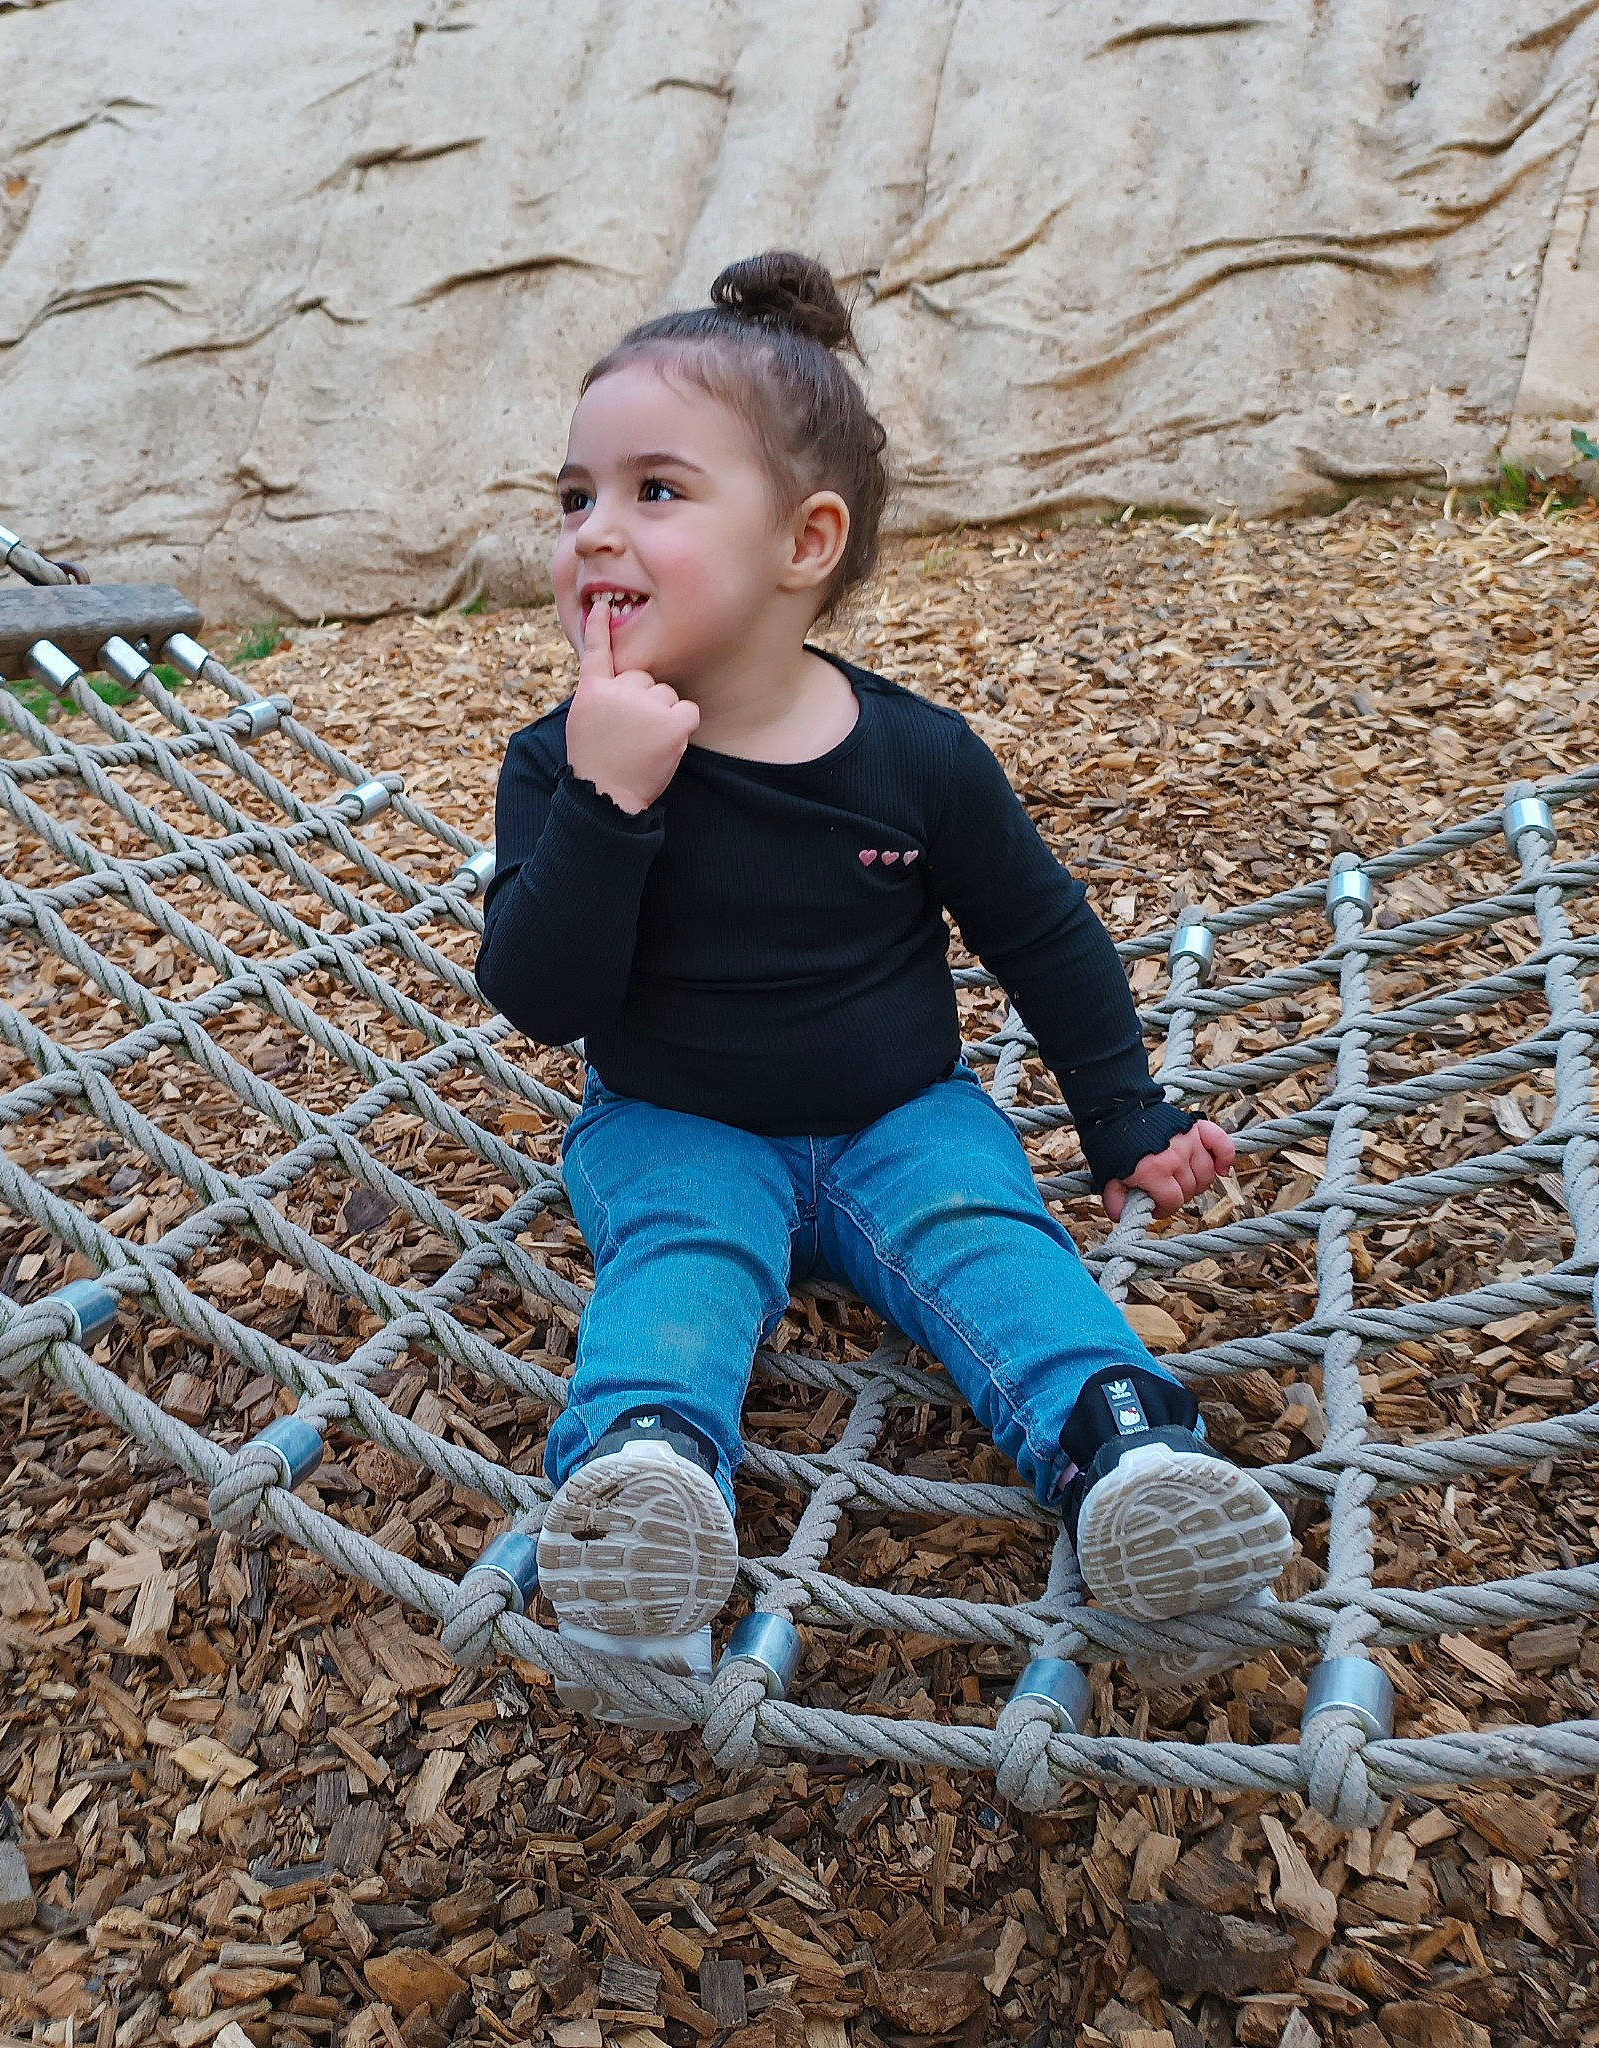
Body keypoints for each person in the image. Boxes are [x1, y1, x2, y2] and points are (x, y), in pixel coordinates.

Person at [473, 251, 1290, 1709]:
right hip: (673, 1115)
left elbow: (1042, 934)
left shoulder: (916, 759)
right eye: (574, 497)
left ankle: (1130, 1455)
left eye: (655, 493)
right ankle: (643, 1498)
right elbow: (543, 994)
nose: (596, 532)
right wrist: (610, 807)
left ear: (805, 542)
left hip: (901, 1112)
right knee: (683, 1271)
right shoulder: (561, 761)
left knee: (989, 1238)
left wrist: (1123, 1118)